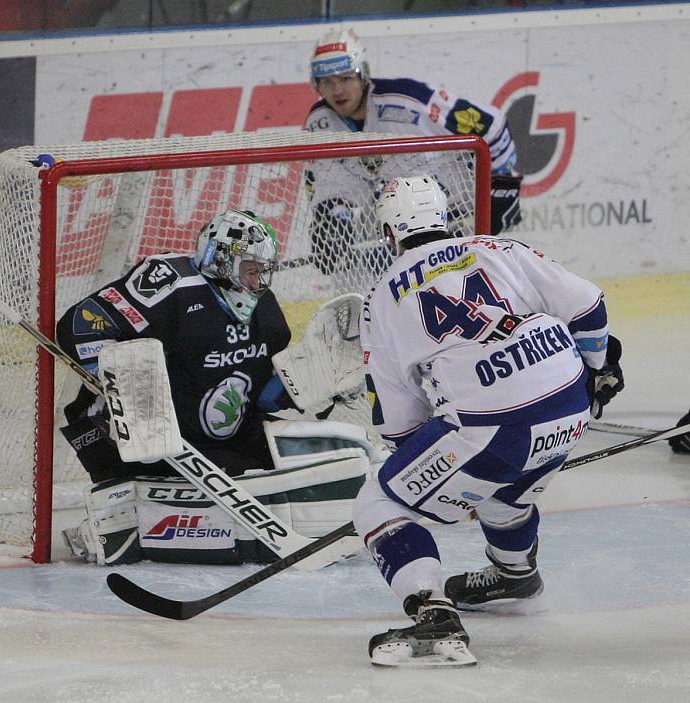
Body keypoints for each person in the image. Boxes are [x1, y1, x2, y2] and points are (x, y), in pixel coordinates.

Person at [353, 175, 624, 667]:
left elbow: (399, 420)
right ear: (444, 218)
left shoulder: (382, 297)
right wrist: (600, 368)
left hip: (495, 427)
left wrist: (439, 471)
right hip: (569, 408)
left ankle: (433, 616)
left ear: (389, 235)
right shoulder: (498, 247)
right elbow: (588, 306)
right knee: (506, 493)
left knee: (377, 501)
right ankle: (514, 573)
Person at [56, 209, 374, 566]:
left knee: (315, 457)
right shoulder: (169, 283)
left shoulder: (263, 308)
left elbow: (258, 391)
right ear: (222, 262)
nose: (258, 282)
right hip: (124, 436)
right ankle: (115, 521)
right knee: (237, 477)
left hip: (211, 436)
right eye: (250, 270)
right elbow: (81, 324)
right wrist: (123, 388)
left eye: (262, 271)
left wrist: (305, 384)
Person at [303, 29, 523, 278]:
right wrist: (332, 219)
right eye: (327, 82)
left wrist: (500, 186)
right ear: (316, 84)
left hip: (462, 220)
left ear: (363, 75)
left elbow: (492, 126)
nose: (338, 90)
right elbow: (327, 181)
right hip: (399, 232)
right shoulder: (319, 123)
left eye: (345, 78)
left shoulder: (409, 100)